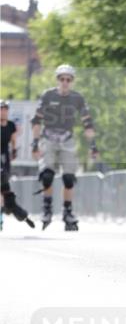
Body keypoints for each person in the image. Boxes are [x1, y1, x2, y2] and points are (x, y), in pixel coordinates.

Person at [31, 64, 99, 230]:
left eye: (68, 79)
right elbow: (36, 120)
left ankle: (67, 212)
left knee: (68, 179)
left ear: (72, 81)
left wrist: (93, 146)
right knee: (47, 176)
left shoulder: (77, 98)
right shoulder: (48, 95)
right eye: (62, 79)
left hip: (67, 139)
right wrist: (34, 143)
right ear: (57, 80)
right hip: (48, 138)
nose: (65, 82)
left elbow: (87, 123)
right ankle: (47, 209)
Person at [1, 99, 35, 229]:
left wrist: (14, 151)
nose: (3, 112)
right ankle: (10, 211)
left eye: (5, 109)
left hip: (4, 159)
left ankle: (6, 213)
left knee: (4, 189)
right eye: (1, 109)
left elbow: (13, 140)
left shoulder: (10, 125)